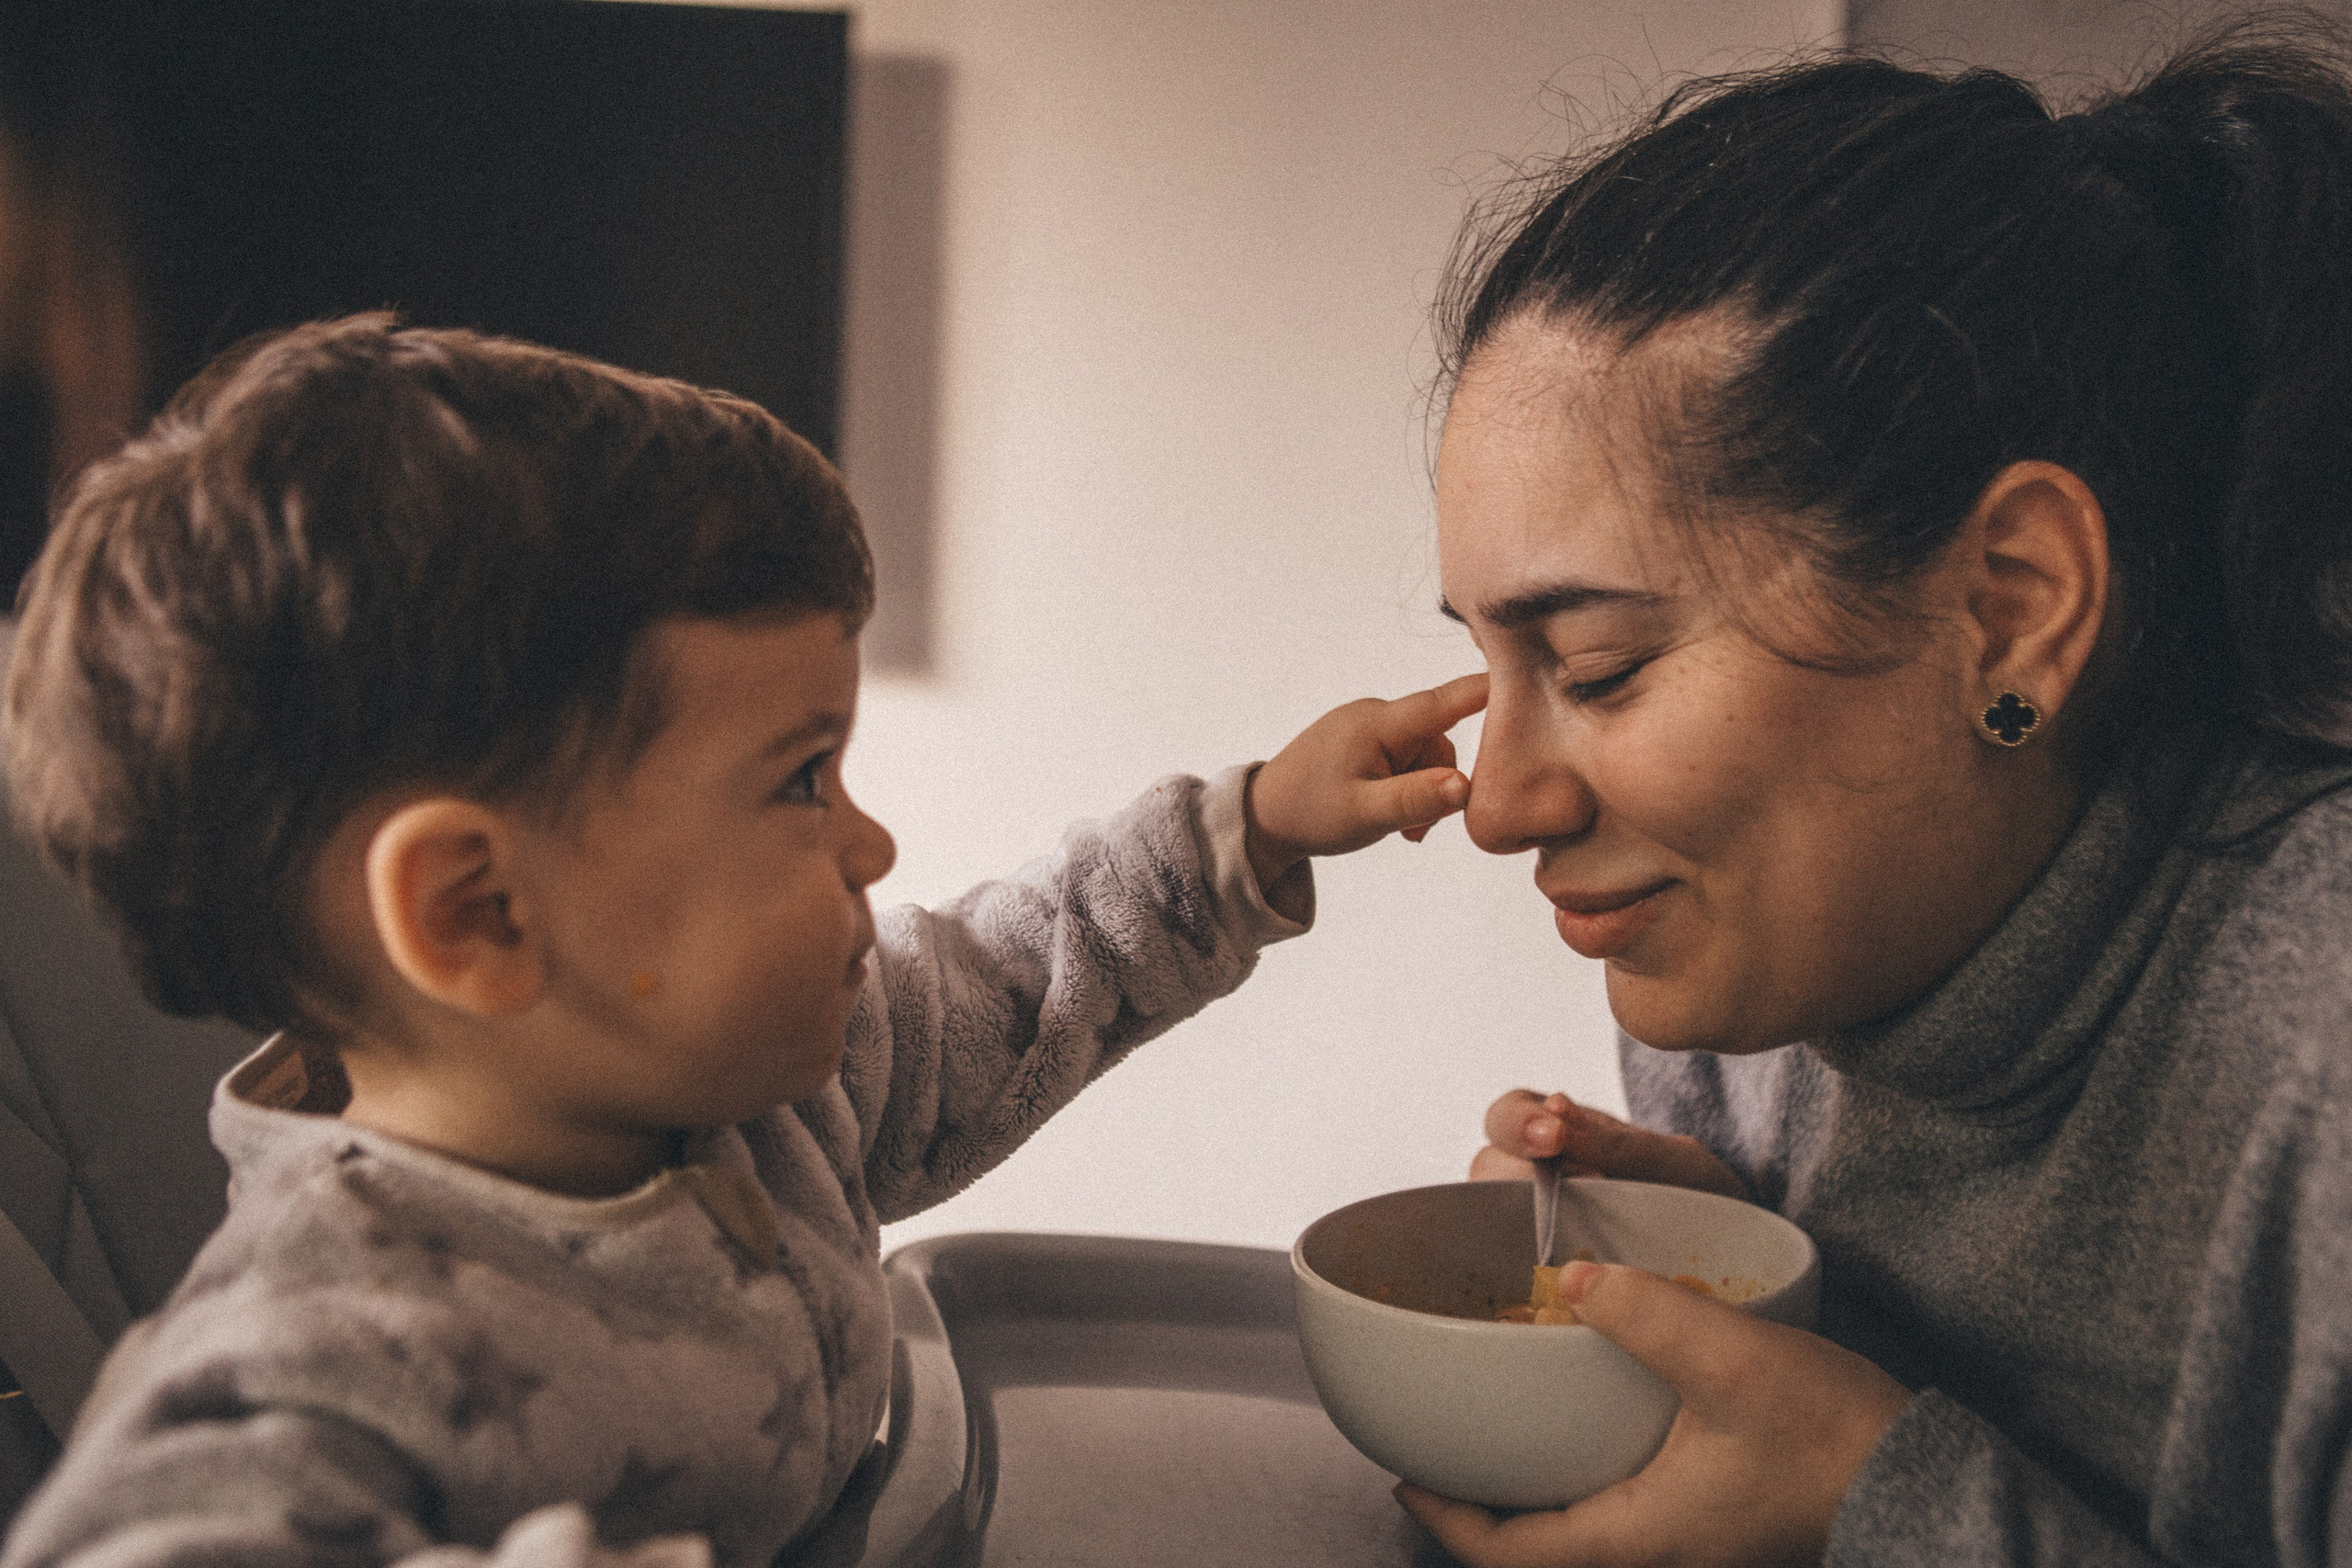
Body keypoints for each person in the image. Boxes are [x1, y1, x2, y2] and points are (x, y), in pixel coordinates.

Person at [0, 314, 1485, 1568]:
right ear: (478, 912)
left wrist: (1254, 832)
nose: (871, 844)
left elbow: (1012, 981)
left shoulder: (765, 1096)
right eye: (801, 778)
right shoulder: (323, 1358)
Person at [1395, 16, 2352, 1568]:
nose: (1495, 807)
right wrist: (1773, 1277)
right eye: (1488, 663)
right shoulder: (1760, 1010)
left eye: (1600, 666)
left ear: (2011, 610)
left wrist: (1872, 1504)